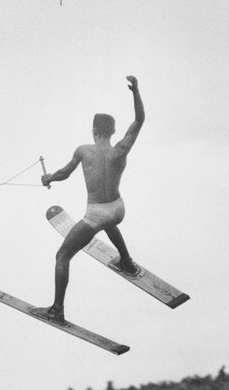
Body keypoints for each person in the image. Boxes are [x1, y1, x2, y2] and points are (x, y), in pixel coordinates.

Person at [31, 76, 145, 324]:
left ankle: (57, 310)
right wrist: (136, 91)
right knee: (108, 223)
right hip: (117, 208)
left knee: (62, 256)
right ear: (113, 131)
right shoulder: (121, 149)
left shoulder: (83, 150)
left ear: (93, 130)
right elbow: (139, 120)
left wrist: (48, 177)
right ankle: (126, 261)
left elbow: (64, 173)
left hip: (95, 214)